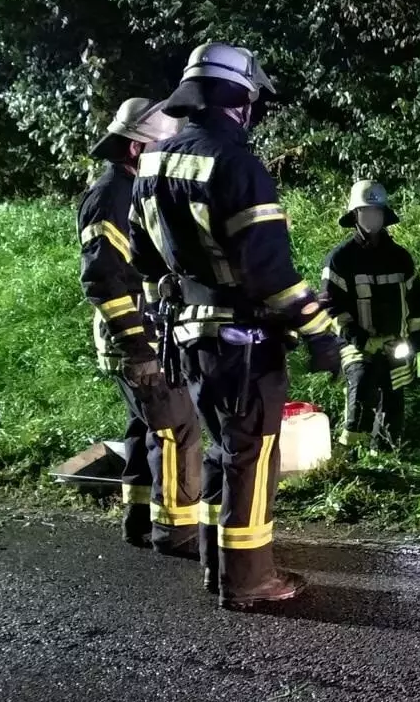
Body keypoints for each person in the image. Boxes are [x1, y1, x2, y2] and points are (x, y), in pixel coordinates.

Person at [128, 42, 345, 608]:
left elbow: (145, 260)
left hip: (189, 337)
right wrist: (320, 329)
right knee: (251, 454)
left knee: (222, 451)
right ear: (239, 99)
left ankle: (216, 565)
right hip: (244, 340)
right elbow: (269, 272)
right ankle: (250, 580)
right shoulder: (237, 164)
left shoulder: (153, 162)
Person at [76, 96, 203, 556]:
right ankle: (178, 531)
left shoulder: (128, 189)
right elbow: (102, 277)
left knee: (146, 425)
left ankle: (139, 519)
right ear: (135, 148)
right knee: (176, 429)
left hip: (142, 337)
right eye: (163, 147)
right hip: (136, 339)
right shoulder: (112, 196)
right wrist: (138, 347)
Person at [321, 180, 420, 450]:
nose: (372, 218)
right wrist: (361, 340)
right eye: (366, 212)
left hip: (396, 345)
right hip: (357, 346)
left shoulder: (400, 258)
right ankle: (349, 456)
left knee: (393, 405)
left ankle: (383, 458)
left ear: (384, 215)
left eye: (377, 212)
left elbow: (415, 306)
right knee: (361, 389)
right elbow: (330, 307)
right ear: (355, 215)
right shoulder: (340, 259)